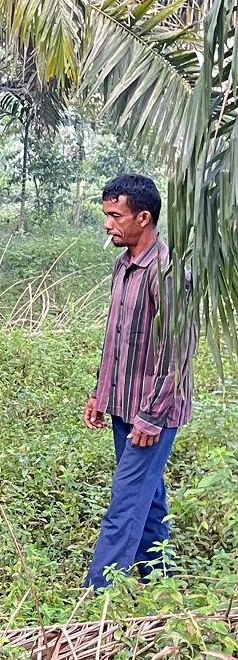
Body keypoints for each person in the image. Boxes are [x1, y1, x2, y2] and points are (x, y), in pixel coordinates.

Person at [82, 174, 196, 589]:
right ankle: (159, 582)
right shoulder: (123, 265)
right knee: (147, 497)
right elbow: (116, 337)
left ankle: (98, 594)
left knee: (126, 500)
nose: (108, 224)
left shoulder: (167, 272)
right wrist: (100, 393)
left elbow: (177, 350)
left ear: (143, 217)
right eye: (106, 215)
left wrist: (152, 416)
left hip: (153, 412)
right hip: (123, 404)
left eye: (116, 216)